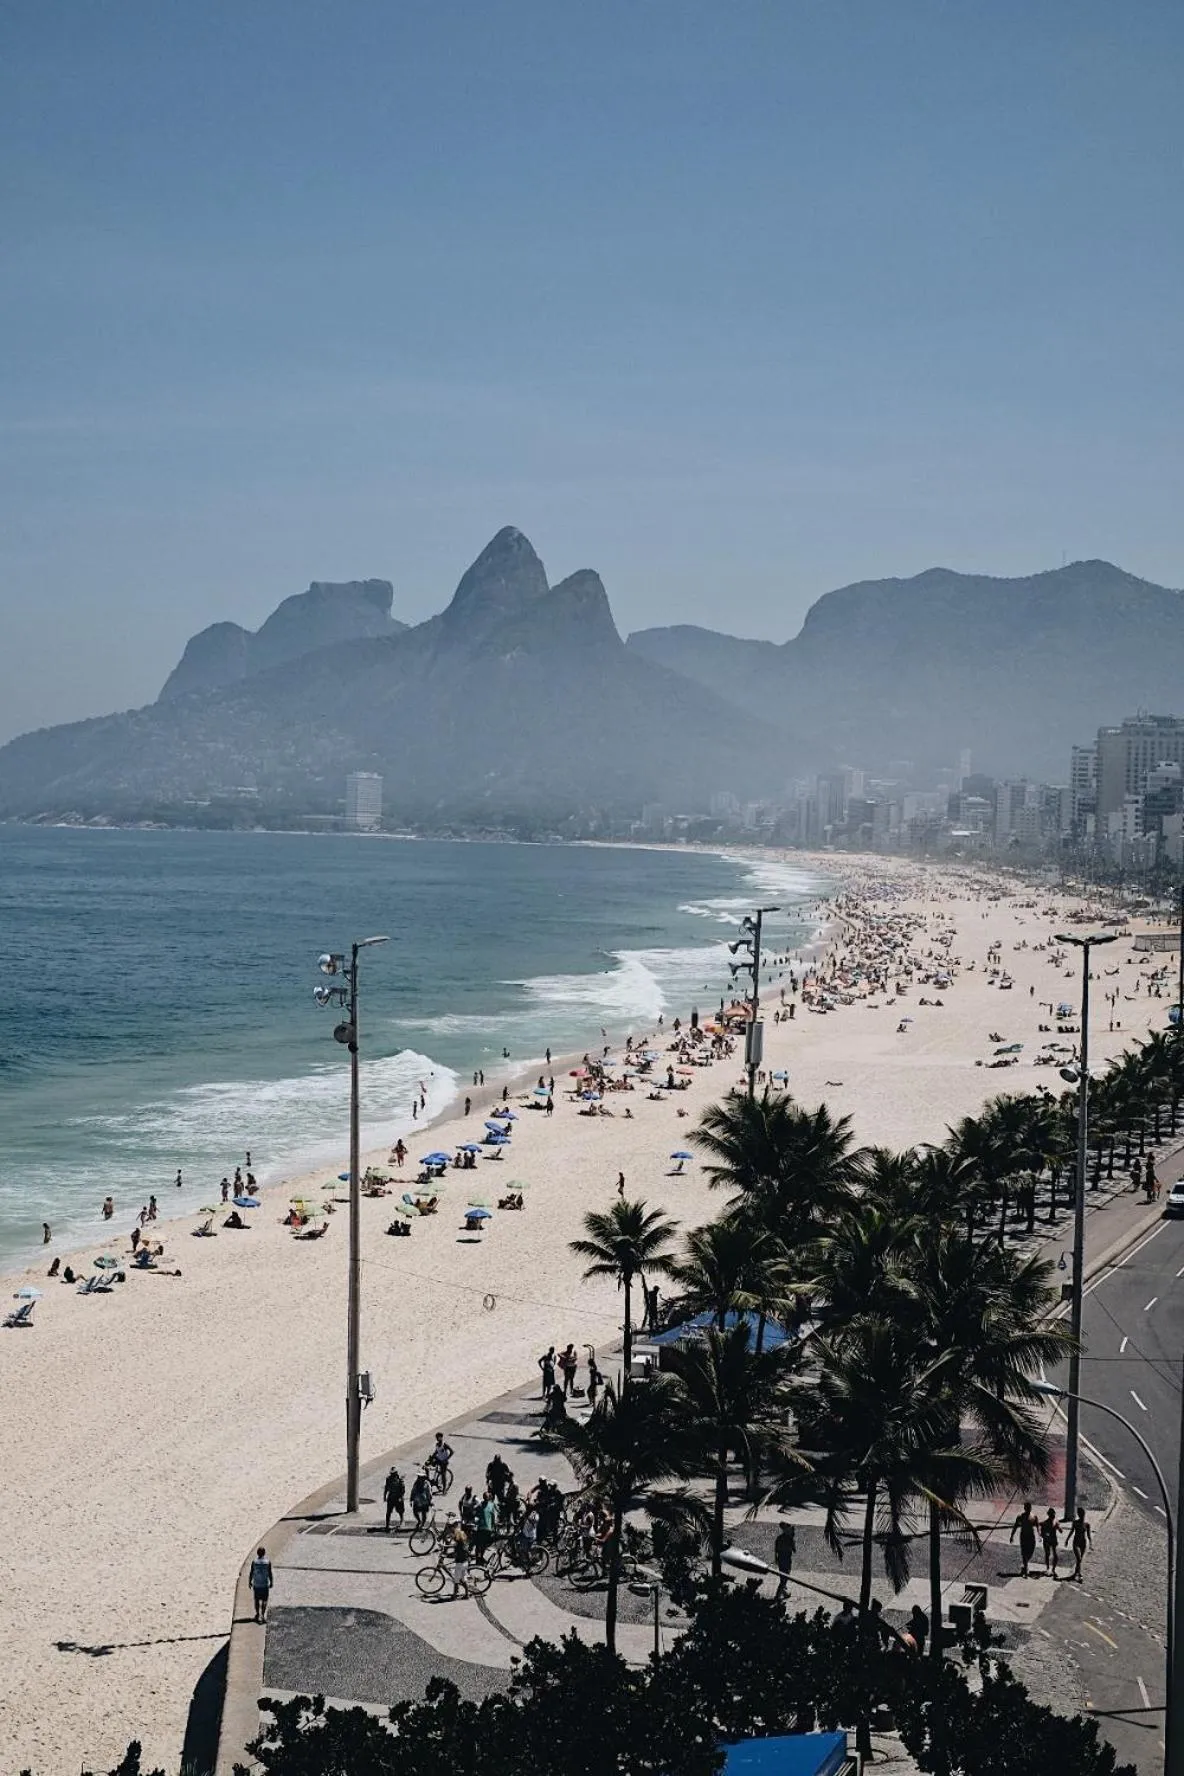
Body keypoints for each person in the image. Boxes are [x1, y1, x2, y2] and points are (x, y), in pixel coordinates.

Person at [1010, 1501, 1038, 1577]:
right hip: (1023, 1536)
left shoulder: (1034, 1516)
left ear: (1031, 1508)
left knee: (1031, 1551)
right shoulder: (1020, 1517)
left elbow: (1038, 1526)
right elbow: (1015, 1526)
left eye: (1029, 1508)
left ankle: (1025, 1565)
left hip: (1031, 1536)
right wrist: (1012, 1536)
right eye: (1027, 1508)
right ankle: (1026, 1568)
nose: (1028, 1509)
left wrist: (1040, 1534)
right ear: (1024, 1508)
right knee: (1024, 1552)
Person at [1065, 1506, 1092, 1582]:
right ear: (1079, 1514)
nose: (1082, 1515)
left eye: (1082, 1514)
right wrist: (1067, 1540)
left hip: (1083, 1543)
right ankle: (1079, 1574)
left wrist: (1091, 1544)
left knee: (1079, 1560)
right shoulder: (1075, 1523)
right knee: (1079, 1558)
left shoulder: (1087, 1524)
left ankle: (1076, 1573)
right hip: (1076, 1543)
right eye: (1080, 1514)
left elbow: (1089, 1535)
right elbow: (1071, 1531)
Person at [250, 1547, 274, 1624]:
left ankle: (257, 1614)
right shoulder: (268, 1562)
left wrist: (249, 1581)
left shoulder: (254, 1562)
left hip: (256, 1584)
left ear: (257, 1553)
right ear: (264, 1553)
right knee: (264, 1600)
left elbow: (251, 1572)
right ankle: (262, 1615)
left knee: (256, 1600)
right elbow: (270, 1573)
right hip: (264, 1584)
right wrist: (271, 1582)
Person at [773, 1523, 797, 1599]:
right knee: (785, 1577)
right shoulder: (790, 1539)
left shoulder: (779, 1538)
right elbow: (794, 1550)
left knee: (782, 1577)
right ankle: (778, 1595)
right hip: (787, 1559)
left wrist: (776, 1559)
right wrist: (793, 1541)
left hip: (780, 1559)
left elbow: (776, 1550)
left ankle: (783, 1592)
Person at [383, 1467, 406, 1532]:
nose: (392, 1475)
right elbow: (386, 1488)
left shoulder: (400, 1480)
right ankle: (387, 1524)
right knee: (388, 1512)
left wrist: (401, 1497)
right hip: (391, 1497)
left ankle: (402, 1521)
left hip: (398, 1497)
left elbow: (403, 1490)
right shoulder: (388, 1479)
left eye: (394, 1473)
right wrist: (384, 1496)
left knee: (400, 1511)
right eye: (392, 1474)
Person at [1040, 1506, 1059, 1576]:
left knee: (1055, 1555)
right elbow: (1042, 1534)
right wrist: (1046, 1535)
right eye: (1052, 1515)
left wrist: (1058, 1527)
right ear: (1049, 1515)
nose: (1053, 1516)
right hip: (1047, 1540)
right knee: (1047, 1554)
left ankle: (1053, 1569)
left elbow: (1061, 1530)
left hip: (1053, 1540)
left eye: (1054, 1514)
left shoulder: (1056, 1521)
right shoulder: (1045, 1523)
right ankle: (1048, 1568)